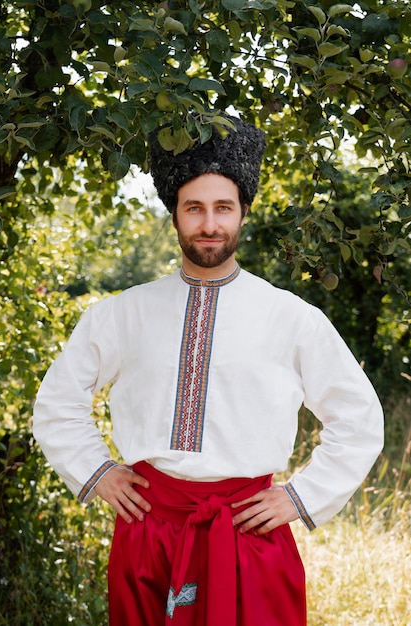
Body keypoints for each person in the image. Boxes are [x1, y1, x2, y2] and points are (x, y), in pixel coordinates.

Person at [33, 114, 384, 626]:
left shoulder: (291, 317)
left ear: (244, 212)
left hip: (249, 535)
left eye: (223, 207)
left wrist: (300, 496)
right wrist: (97, 470)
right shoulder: (122, 313)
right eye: (194, 208)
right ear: (174, 214)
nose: (210, 224)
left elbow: (358, 419)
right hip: (148, 534)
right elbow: (58, 403)